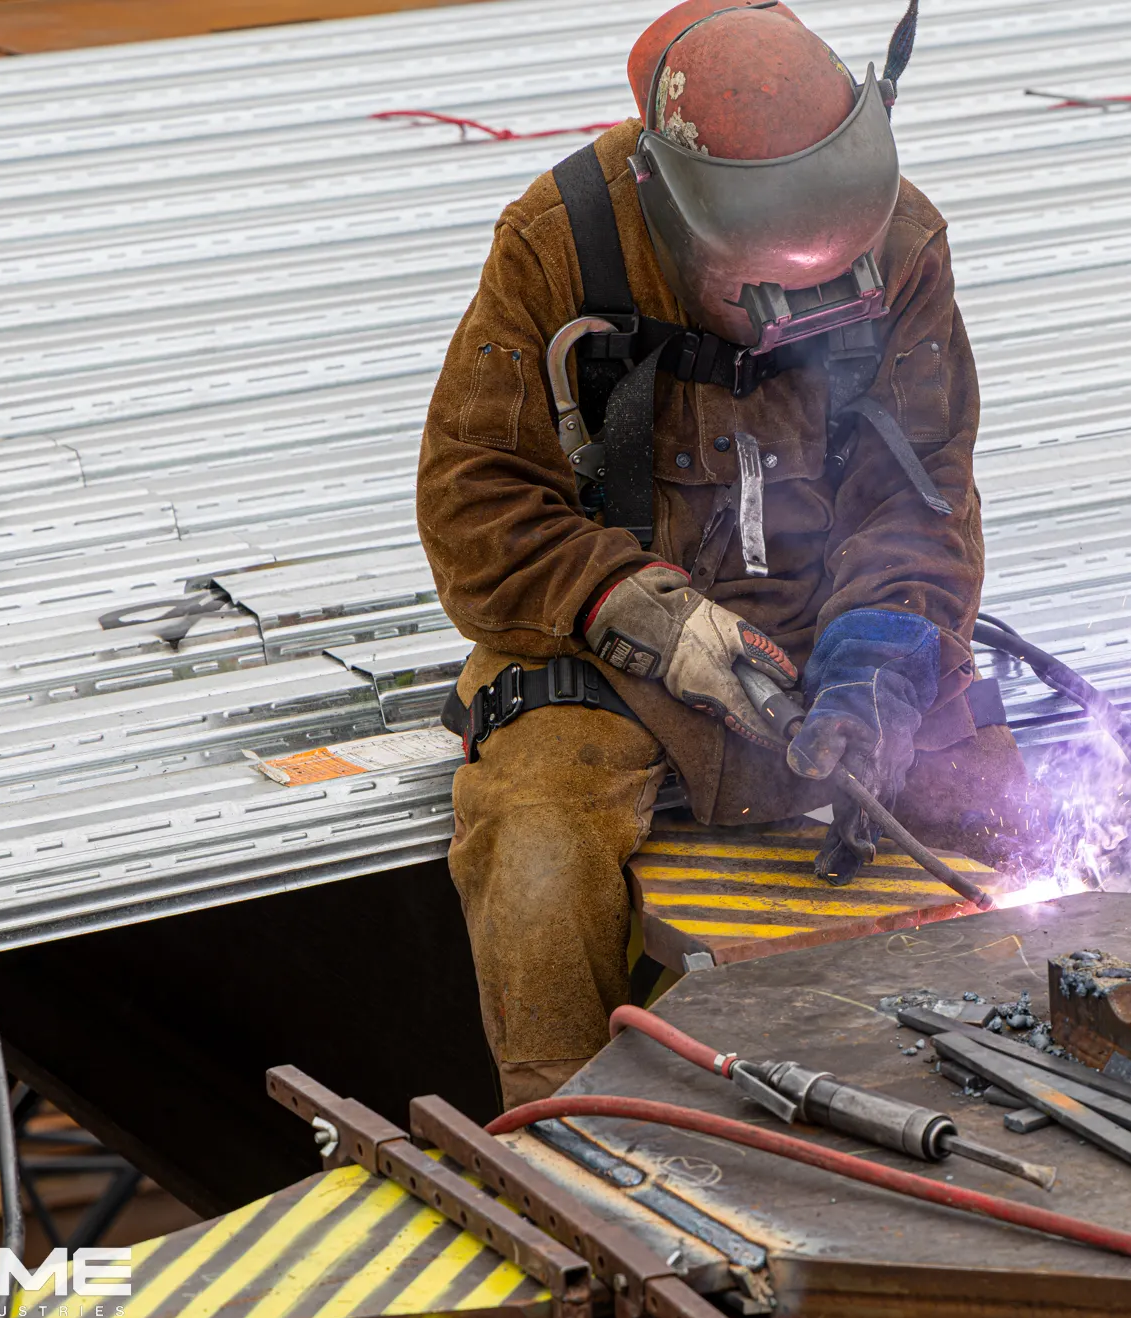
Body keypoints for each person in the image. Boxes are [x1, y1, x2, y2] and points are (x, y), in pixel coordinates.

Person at [415, 0, 1030, 1105]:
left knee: (1007, 820)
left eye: (830, 277)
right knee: (538, 835)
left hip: (826, 635)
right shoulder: (561, 243)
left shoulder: (904, 244)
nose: (804, 307)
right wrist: (648, 617)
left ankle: (1031, 1096)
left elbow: (919, 502)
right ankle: (568, 1129)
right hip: (618, 662)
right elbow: (476, 507)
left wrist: (876, 670)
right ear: (674, 211)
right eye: (769, 284)